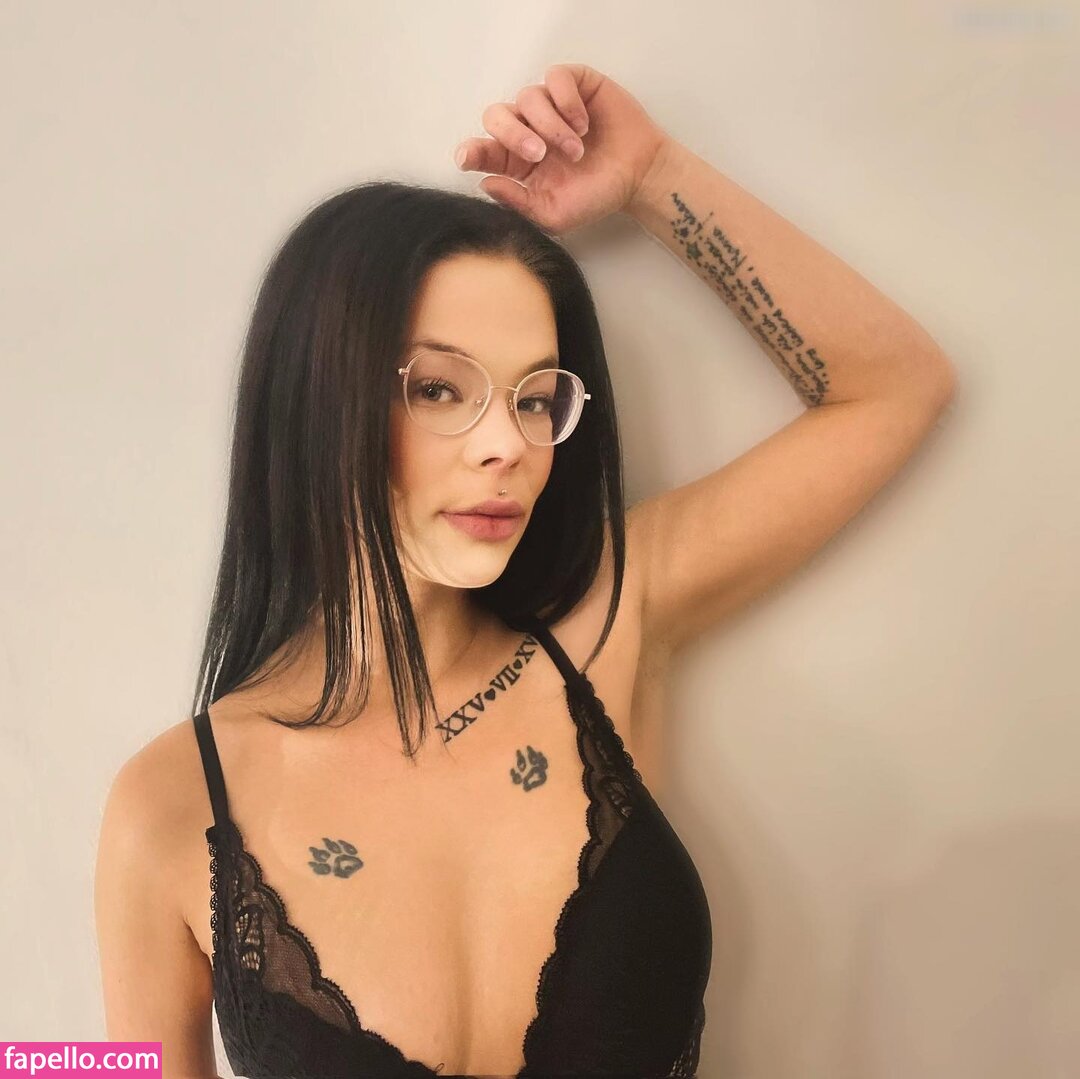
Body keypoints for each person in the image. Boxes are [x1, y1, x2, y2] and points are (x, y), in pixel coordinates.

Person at [94, 62, 956, 1078]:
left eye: (536, 397)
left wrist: (653, 175)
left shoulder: (606, 618)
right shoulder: (169, 805)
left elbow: (895, 384)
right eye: (439, 388)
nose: (508, 443)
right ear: (316, 394)